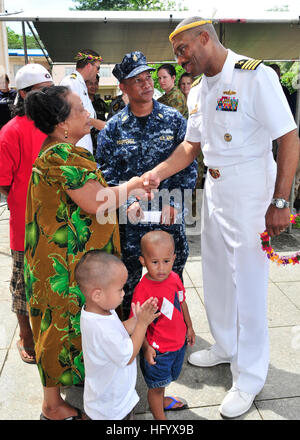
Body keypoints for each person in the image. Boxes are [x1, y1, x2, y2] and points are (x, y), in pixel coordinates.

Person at [141, 17, 300, 418]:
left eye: (183, 51)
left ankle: (249, 375)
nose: (180, 61)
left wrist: (281, 202)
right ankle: (226, 346)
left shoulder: (255, 76)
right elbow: (191, 146)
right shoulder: (197, 90)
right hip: (214, 190)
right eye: (176, 54)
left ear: (204, 38)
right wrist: (157, 173)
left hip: (251, 191)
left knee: (248, 284)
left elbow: (288, 138)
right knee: (214, 274)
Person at [24, 85, 154, 420]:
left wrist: (123, 206)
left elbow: (87, 201)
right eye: (79, 109)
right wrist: (134, 184)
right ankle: (52, 405)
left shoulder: (61, 150)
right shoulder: (61, 157)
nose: (87, 113)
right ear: (62, 123)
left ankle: (64, 395)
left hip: (66, 258)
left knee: (65, 327)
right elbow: (96, 202)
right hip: (61, 266)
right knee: (57, 329)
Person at [97, 51, 197, 319]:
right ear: (123, 87)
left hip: (168, 217)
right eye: (137, 80)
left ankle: (169, 336)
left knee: (171, 281)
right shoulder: (114, 128)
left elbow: (188, 164)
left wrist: (176, 203)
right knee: (127, 284)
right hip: (131, 222)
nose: (147, 84)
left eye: (148, 77)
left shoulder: (175, 120)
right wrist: (127, 202)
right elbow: (106, 172)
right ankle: (134, 338)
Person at [0, 64, 54, 365]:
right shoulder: (10, 132)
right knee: (23, 285)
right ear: (23, 95)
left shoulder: (55, 126)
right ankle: (26, 336)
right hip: (25, 226)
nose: (48, 96)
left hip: (57, 222)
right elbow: (4, 183)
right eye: (41, 92)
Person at [76, 250, 160, 420]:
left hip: (105, 398)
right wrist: (142, 324)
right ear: (97, 295)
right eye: (120, 289)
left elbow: (119, 329)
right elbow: (128, 355)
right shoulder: (101, 327)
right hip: (112, 408)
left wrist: (137, 319)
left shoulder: (98, 312)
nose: (123, 293)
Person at [130, 230, 195, 420]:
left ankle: (162, 399)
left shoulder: (174, 278)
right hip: (158, 351)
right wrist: (146, 348)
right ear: (143, 261)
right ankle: (160, 418)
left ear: (174, 258)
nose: (161, 268)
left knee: (164, 381)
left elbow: (182, 303)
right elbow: (137, 324)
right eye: (154, 262)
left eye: (166, 261)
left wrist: (189, 327)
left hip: (178, 345)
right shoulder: (142, 290)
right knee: (155, 388)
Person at [60, 49, 105, 154]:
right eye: (97, 68)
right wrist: (100, 124)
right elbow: (70, 116)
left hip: (83, 143)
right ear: (89, 66)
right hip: (75, 146)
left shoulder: (80, 83)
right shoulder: (71, 83)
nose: (98, 71)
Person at [85, 74, 107, 155]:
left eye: (96, 83)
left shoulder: (101, 103)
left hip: (100, 146)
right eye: (90, 83)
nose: (93, 86)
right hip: (86, 146)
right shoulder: (81, 103)